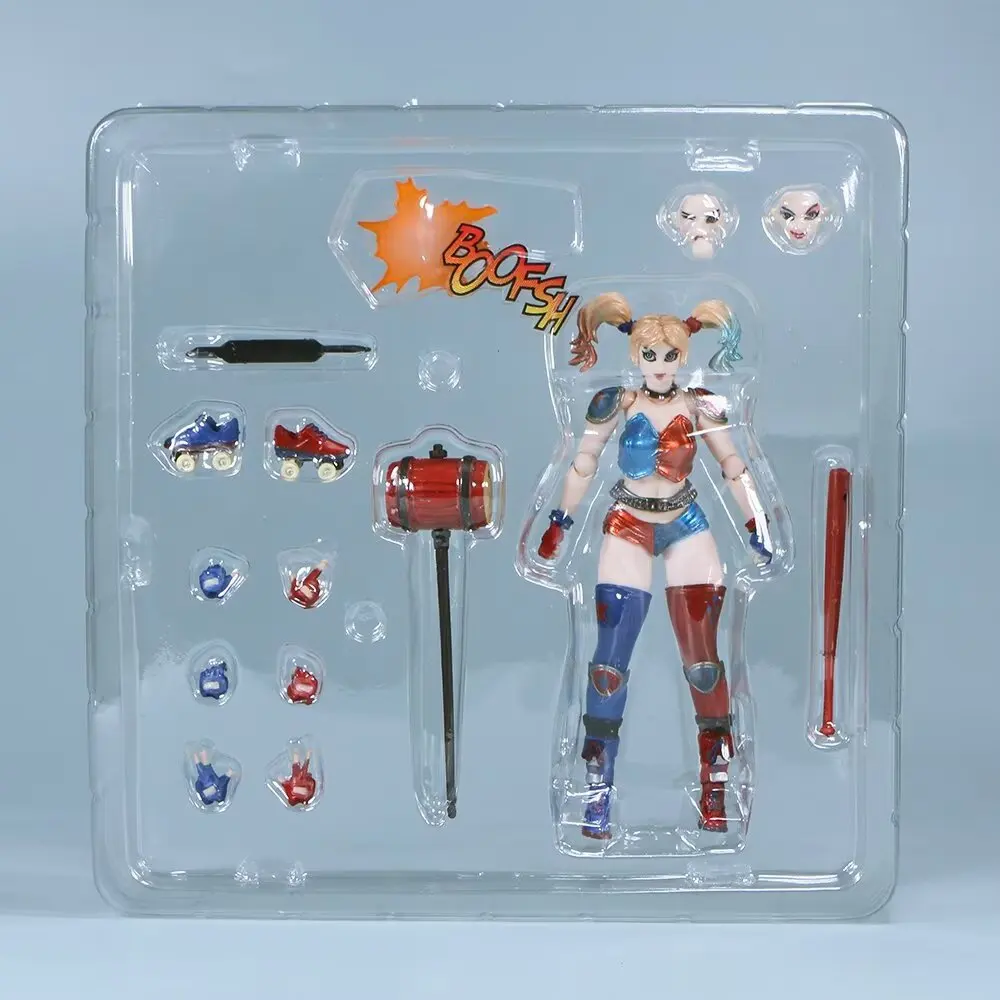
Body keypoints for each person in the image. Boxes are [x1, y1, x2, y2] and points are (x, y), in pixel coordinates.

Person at [538, 292, 771, 839]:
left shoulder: (700, 404)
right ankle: (597, 790)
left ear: (683, 356)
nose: (661, 365)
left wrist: (755, 521)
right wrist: (560, 521)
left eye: (670, 356)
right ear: (636, 356)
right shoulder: (615, 402)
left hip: (685, 520)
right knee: (609, 662)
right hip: (628, 521)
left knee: (703, 661)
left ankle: (714, 788)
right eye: (651, 355)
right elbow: (583, 461)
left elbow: (733, 464)